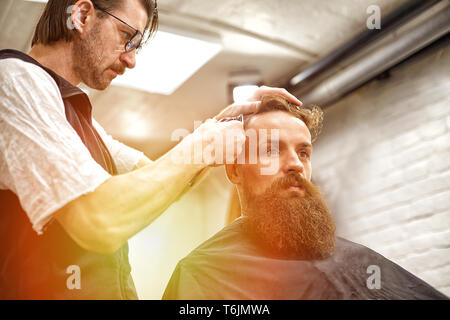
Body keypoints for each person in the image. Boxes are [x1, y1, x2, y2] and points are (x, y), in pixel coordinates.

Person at [0, 0, 302, 299]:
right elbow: (97, 220)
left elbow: (160, 176)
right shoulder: (13, 80)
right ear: (80, 15)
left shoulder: (80, 119)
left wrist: (221, 124)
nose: (131, 60)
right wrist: (204, 144)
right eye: (125, 37)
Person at [162, 95, 448, 300]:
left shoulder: (358, 261)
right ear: (235, 170)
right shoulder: (203, 274)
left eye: (303, 152)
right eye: (272, 150)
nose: (296, 164)